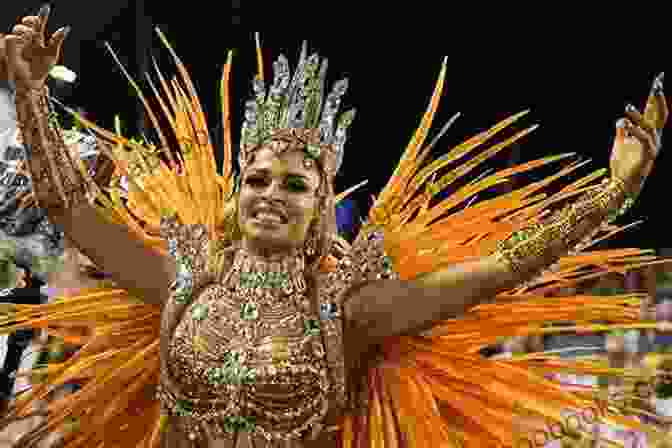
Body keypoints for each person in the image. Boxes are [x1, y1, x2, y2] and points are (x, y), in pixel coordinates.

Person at [1, 5, 670, 447]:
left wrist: (612, 194)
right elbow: (73, 213)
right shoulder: (187, 278)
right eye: (258, 179)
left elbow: (500, 268)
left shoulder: (347, 309)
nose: (271, 196)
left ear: (322, 205)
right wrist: (31, 98)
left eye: (296, 185)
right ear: (237, 193)